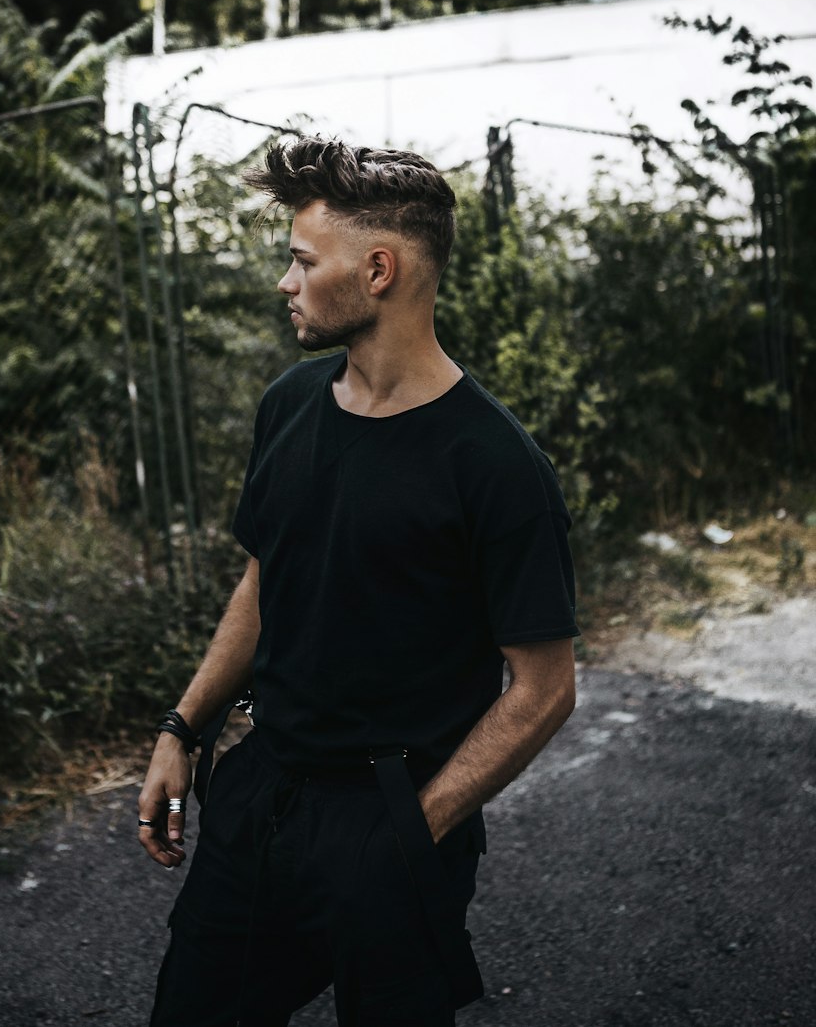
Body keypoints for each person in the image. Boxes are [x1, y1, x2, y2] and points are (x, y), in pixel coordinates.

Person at [138, 137, 579, 1027]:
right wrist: (182, 726)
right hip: (262, 795)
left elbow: (545, 688)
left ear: (378, 270)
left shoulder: (494, 463)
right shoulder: (290, 404)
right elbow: (268, 581)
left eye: (303, 261)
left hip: (392, 813)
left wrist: (420, 825)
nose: (285, 282)